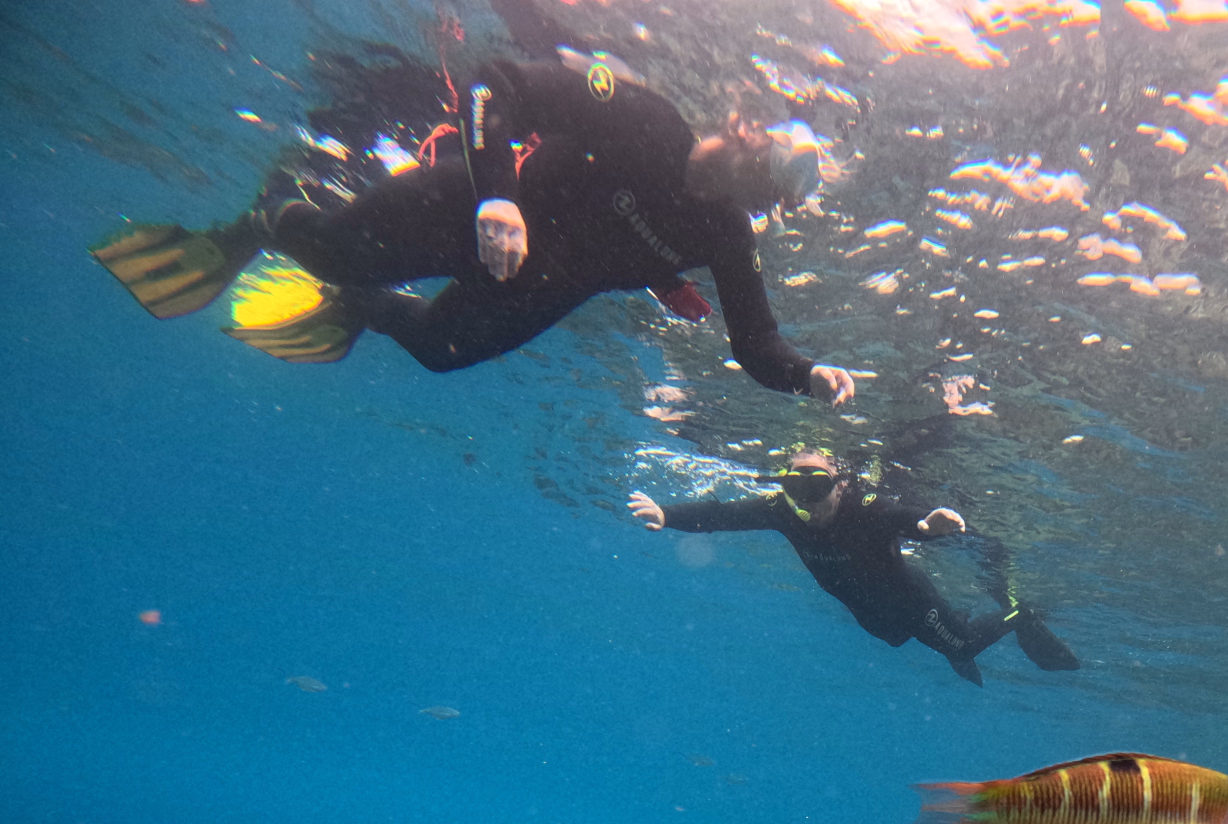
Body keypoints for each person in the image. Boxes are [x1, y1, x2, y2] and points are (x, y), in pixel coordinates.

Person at [89, 46, 857, 401]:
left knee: (437, 351)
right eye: (752, 159)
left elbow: (756, 341)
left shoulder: (726, 237)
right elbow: (496, 83)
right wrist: (498, 197)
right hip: (473, 210)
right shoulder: (643, 117)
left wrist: (806, 374)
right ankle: (265, 217)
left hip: (543, 286)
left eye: (760, 192)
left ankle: (364, 307)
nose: (743, 187)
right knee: (333, 252)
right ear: (742, 131)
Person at [627, 451, 1079, 685]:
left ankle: (1021, 613)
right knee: (906, 641)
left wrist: (927, 527)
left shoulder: (863, 509)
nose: (807, 503)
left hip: (912, 602)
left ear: (840, 486)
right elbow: (724, 515)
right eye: (795, 488)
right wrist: (668, 514)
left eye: (818, 488)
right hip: (875, 618)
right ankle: (954, 632)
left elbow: (902, 517)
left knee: (962, 646)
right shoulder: (781, 511)